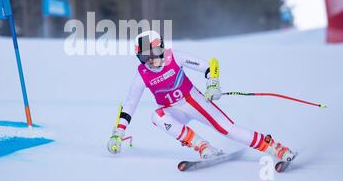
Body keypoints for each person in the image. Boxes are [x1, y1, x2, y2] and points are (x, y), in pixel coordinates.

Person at [107, 30, 296, 161]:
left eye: (154, 53)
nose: (151, 60)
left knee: (228, 130)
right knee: (156, 115)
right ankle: (203, 146)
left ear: (162, 48)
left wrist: (212, 84)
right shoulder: (142, 74)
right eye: (145, 57)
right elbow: (130, 105)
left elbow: (208, 66)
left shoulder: (175, 56)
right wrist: (118, 133)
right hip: (174, 110)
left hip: (194, 101)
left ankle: (275, 148)